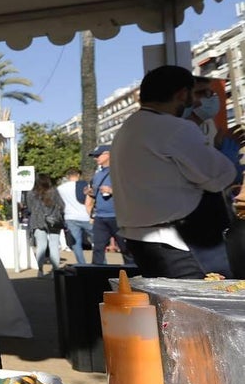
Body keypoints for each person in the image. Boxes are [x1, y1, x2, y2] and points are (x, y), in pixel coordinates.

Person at [111, 65, 237, 279]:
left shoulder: (129, 128)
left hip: (141, 239)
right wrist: (225, 154)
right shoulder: (174, 128)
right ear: (181, 94)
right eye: (195, 95)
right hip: (180, 242)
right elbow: (220, 177)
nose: (197, 103)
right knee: (205, 299)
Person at [84, 145, 128, 264]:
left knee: (126, 249)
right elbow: (95, 195)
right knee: (98, 249)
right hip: (100, 217)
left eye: (98, 155)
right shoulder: (97, 175)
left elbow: (130, 192)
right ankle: (97, 273)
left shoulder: (120, 172)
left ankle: (132, 272)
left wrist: (111, 191)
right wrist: (91, 193)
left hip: (117, 217)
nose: (95, 158)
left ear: (108, 154)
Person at [25, 174, 65, 278]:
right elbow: (62, 205)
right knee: (54, 245)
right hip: (53, 220)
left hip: (37, 221)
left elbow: (29, 208)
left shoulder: (31, 193)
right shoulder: (53, 191)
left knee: (41, 246)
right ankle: (55, 271)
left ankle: (40, 270)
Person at [56, 168, 91, 265]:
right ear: (78, 175)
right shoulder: (84, 186)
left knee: (76, 243)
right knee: (97, 240)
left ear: (67, 177)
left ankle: (82, 263)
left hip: (70, 217)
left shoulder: (60, 188)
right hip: (85, 215)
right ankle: (100, 262)